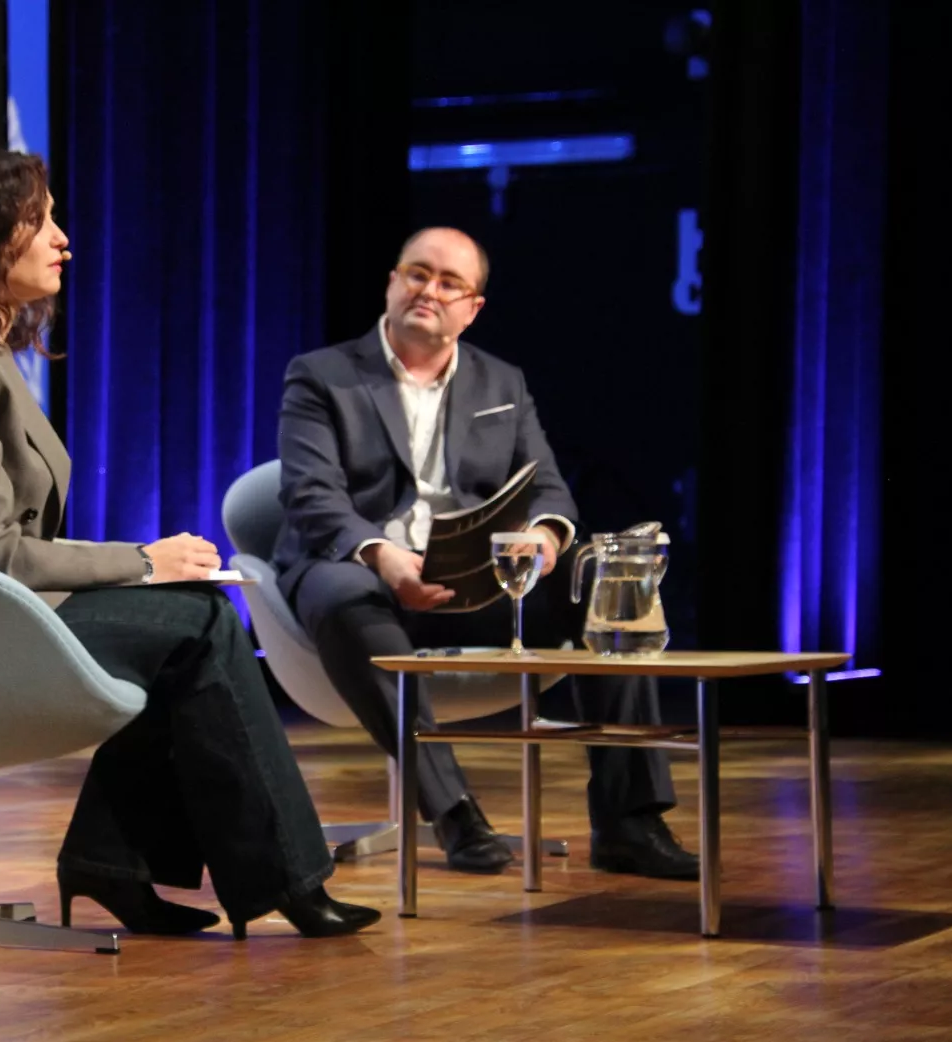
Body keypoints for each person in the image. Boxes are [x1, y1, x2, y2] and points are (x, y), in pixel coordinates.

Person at [0, 148, 380, 940]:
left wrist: (144, 571)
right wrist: (142, 561)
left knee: (183, 619)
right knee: (196, 621)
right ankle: (278, 879)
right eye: (40, 219)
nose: (63, 239)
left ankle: (115, 863)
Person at [272, 226, 698, 881]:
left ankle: (629, 821)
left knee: (606, 586)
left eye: (450, 284)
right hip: (361, 570)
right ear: (392, 281)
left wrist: (547, 538)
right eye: (417, 274)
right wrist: (380, 553)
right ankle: (455, 814)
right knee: (345, 597)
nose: (429, 291)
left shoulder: (502, 381)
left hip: (476, 580)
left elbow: (549, 486)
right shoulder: (322, 375)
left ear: (472, 308)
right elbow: (311, 494)